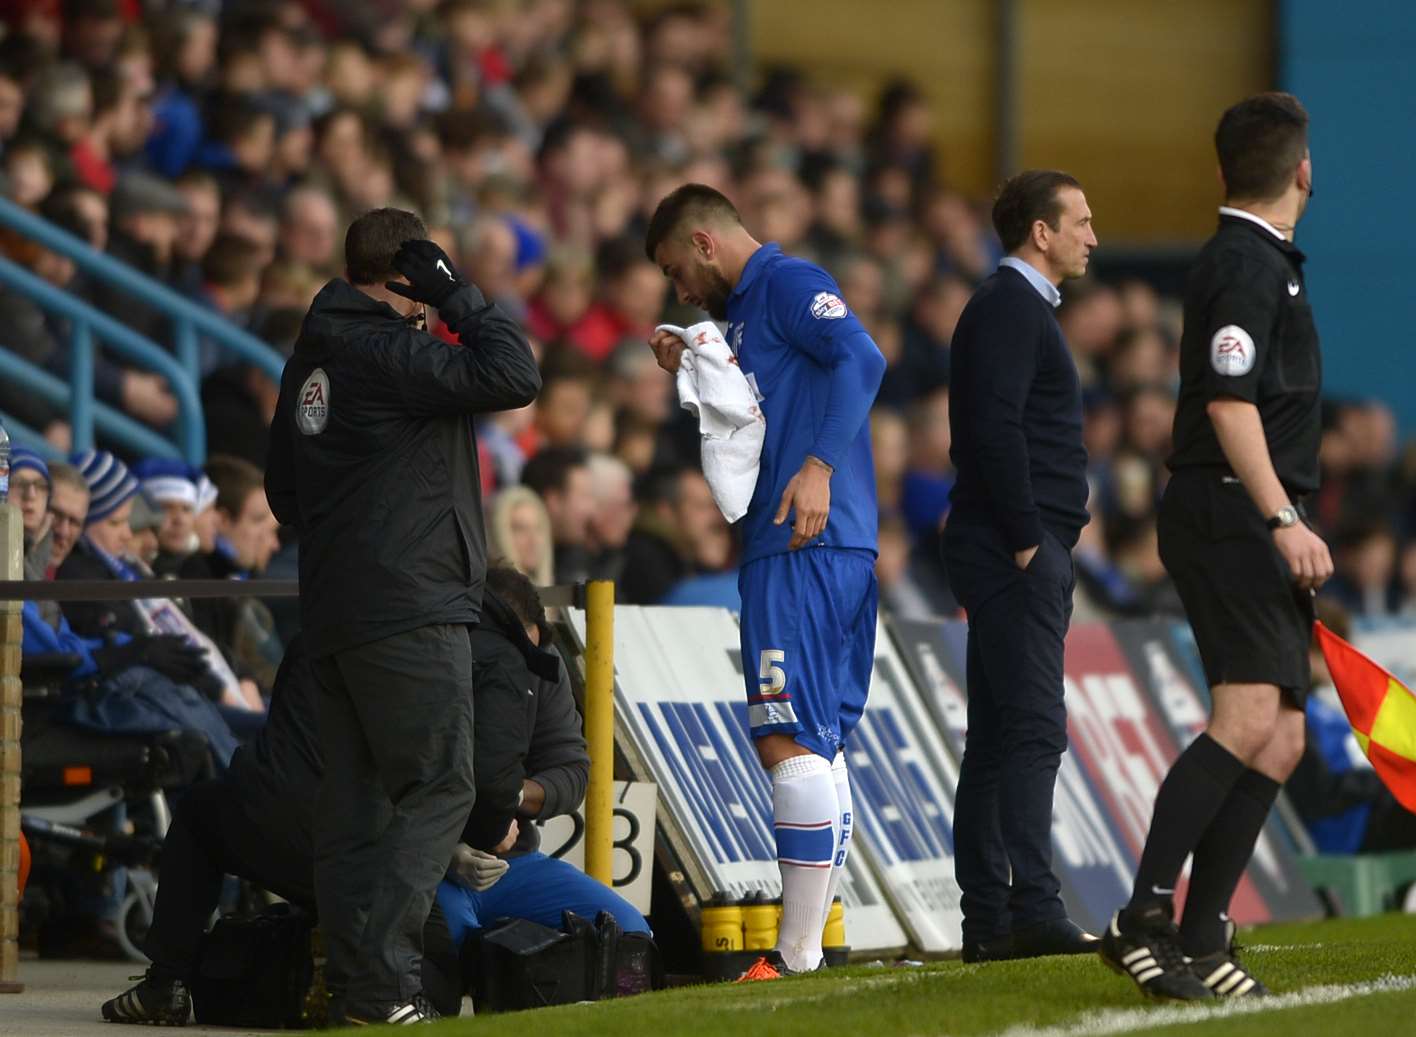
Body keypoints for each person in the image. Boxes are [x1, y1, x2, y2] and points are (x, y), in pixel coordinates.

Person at [264, 206, 540, 1025]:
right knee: (440, 785)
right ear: (408, 276)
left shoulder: (309, 357)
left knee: (352, 804)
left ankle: (352, 990)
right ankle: (384, 986)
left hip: (336, 611)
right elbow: (514, 374)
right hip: (410, 606)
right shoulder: (391, 349)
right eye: (423, 286)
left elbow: (284, 494)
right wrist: (463, 299)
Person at [1100, 93, 1330, 1002]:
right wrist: (1284, 519)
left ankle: (1203, 931)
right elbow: (1231, 406)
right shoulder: (1242, 263)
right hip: (1231, 512)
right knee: (1243, 720)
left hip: (1248, 513)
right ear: (1302, 170)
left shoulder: (1265, 261)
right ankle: (1142, 917)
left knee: (1279, 738)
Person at [645, 183, 885, 978]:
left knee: (785, 738)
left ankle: (795, 952)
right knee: (820, 740)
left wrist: (817, 466)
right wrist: (699, 361)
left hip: (801, 541)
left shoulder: (786, 281)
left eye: (678, 269)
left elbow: (863, 356)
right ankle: (818, 941)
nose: (679, 288)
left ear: (706, 243)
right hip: (832, 544)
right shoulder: (748, 313)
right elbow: (759, 413)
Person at [941, 170, 1098, 963]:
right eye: (1080, 221)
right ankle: (1032, 908)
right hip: (1013, 550)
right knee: (1031, 728)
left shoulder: (1012, 308)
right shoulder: (1010, 307)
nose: (1092, 237)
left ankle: (990, 923)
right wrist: (1029, 534)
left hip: (1008, 545)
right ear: (1041, 231)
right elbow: (992, 427)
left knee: (999, 737)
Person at [427, 565, 648, 1015]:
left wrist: (508, 796)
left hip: (514, 861)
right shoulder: (428, 666)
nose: (519, 665)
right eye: (513, 651)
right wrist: (457, 837)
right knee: (458, 948)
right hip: (427, 861)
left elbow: (571, 770)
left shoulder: (541, 664)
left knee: (629, 937)